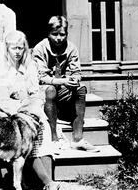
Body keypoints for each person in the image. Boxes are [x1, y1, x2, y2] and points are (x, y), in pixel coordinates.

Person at [0, 30, 60, 190]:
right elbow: (2, 99)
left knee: (42, 131)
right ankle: (48, 183)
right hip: (11, 114)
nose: (17, 52)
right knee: (26, 133)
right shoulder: (1, 69)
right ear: (7, 48)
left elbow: (35, 93)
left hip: (30, 111)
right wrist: (22, 104)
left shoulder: (29, 66)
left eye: (21, 48)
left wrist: (25, 99)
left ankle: (47, 184)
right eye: (14, 48)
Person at [33, 16, 99, 153]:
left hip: (62, 92)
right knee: (50, 89)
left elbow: (76, 72)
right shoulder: (40, 48)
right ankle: (54, 139)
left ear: (67, 34)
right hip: (42, 93)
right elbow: (41, 78)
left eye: (62, 34)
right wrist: (63, 81)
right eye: (54, 34)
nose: (58, 38)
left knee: (80, 89)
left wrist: (74, 79)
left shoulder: (71, 48)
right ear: (48, 33)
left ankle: (77, 139)